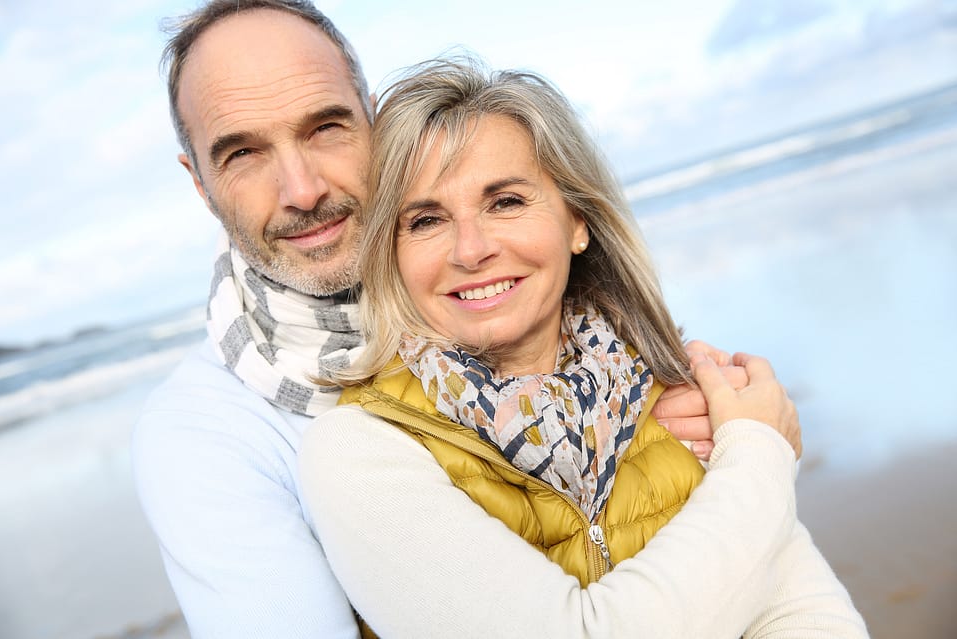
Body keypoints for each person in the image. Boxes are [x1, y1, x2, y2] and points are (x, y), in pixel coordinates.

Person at [132, 2, 729, 637]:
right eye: (242, 153)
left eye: (324, 128)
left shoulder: (561, 331)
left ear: (372, 118)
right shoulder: (203, 438)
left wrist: (734, 432)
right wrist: (758, 465)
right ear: (199, 183)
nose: (302, 189)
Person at [298, 58, 868, 638]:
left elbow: (806, 615)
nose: (470, 250)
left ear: (577, 220)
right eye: (425, 220)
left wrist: (747, 451)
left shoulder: (671, 384)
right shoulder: (360, 451)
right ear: (391, 255)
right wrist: (760, 451)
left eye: (506, 202)